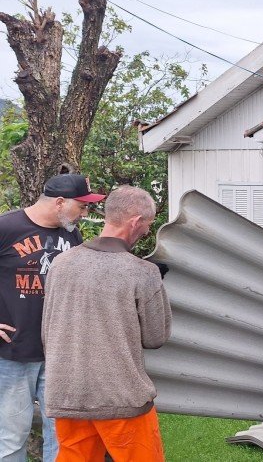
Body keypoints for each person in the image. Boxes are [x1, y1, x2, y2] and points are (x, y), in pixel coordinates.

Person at [42, 185, 171, 462]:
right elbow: (155, 337)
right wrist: (156, 285)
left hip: (68, 395)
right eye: (148, 225)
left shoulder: (61, 264)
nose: (147, 231)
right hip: (121, 399)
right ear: (136, 222)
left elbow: (47, 331)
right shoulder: (143, 272)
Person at [0, 173, 104, 462]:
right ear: (60, 202)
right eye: (82, 207)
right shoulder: (6, 227)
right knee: (9, 438)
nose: (84, 214)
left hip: (60, 354)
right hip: (12, 353)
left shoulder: (71, 234)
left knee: (62, 438)